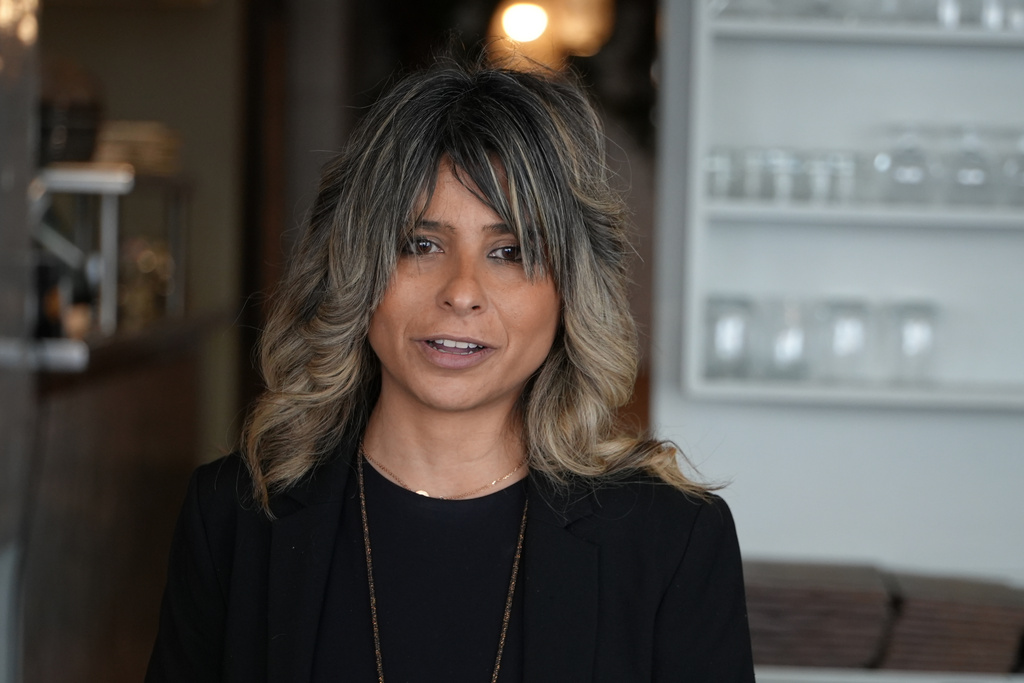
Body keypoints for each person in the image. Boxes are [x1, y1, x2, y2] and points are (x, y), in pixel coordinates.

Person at [146, 57, 755, 682]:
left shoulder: (672, 540)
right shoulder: (236, 516)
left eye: (509, 252)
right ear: (356, 269)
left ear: (571, 289)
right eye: (421, 244)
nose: (461, 291)